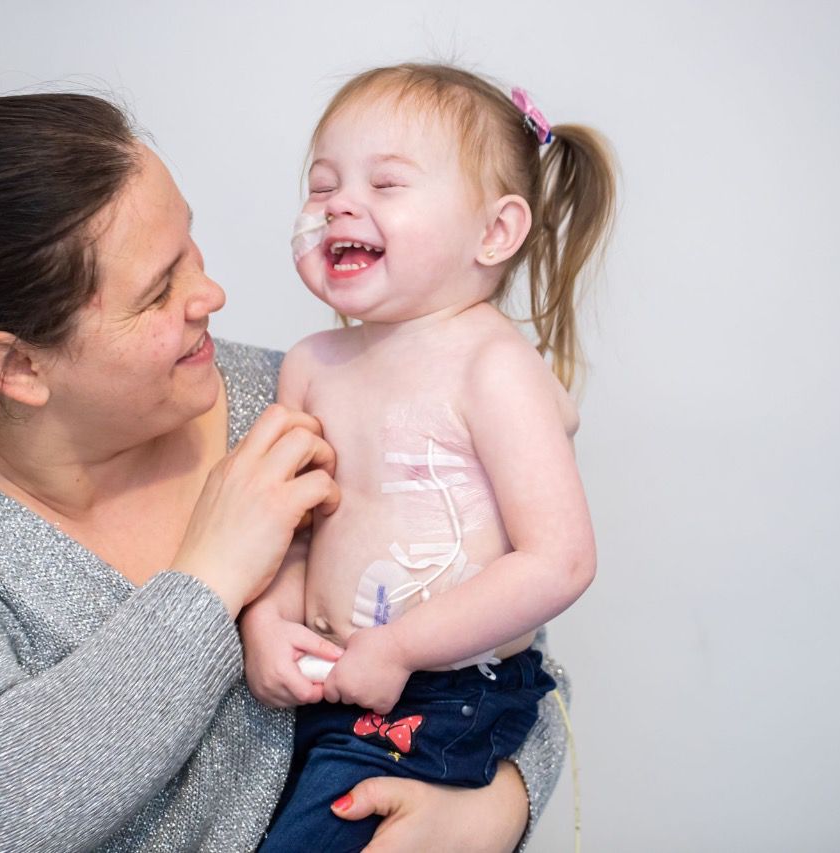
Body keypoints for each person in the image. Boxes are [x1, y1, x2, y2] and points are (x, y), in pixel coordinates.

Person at [0, 92, 572, 851]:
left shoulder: (273, 394)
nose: (212, 294)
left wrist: (497, 803)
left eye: (191, 249)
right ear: (19, 366)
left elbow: (488, 643)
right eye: (160, 288)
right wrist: (208, 583)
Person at [243, 64, 613, 851]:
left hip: (444, 690)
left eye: (386, 185)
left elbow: (560, 560)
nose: (341, 204)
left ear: (495, 232)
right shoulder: (311, 364)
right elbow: (298, 528)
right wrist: (268, 618)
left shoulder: (494, 367)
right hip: (330, 682)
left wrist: (402, 646)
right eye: (323, 186)